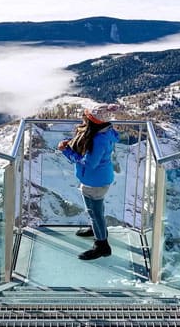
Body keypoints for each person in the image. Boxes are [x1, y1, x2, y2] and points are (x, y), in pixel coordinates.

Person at [58, 104, 120, 260]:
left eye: (86, 116)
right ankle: (96, 230)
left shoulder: (98, 140)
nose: (83, 118)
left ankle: (102, 245)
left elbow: (89, 163)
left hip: (94, 182)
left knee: (94, 213)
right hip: (101, 178)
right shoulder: (107, 132)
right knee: (97, 211)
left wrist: (67, 152)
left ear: (93, 121)